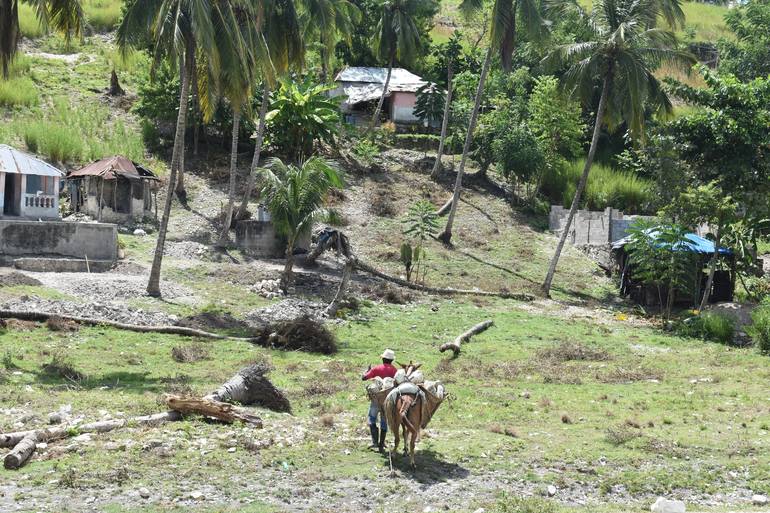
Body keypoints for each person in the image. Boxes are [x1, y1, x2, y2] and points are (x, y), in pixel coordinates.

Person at [361, 349, 397, 450]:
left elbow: (364, 378)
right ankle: (382, 444)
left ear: (383, 359)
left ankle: (375, 442)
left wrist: (367, 371)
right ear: (391, 360)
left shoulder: (377, 369)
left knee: (372, 418)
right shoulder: (395, 370)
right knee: (384, 421)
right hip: (388, 400)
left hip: (376, 399)